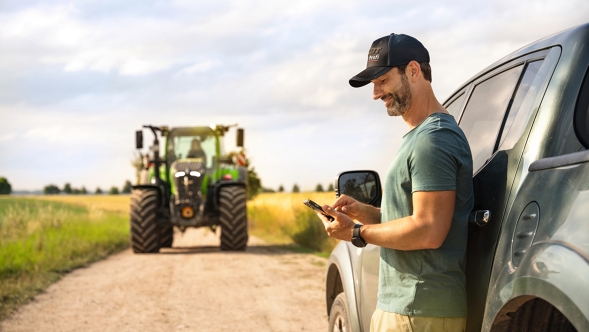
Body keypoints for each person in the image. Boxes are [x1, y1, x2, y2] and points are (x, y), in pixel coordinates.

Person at [318, 33, 474, 332]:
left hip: (418, 309)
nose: (376, 94)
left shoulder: (434, 139)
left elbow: (429, 230)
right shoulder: (422, 136)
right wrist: (365, 213)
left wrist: (355, 233)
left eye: (382, 81)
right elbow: (418, 219)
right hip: (407, 309)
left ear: (413, 71)